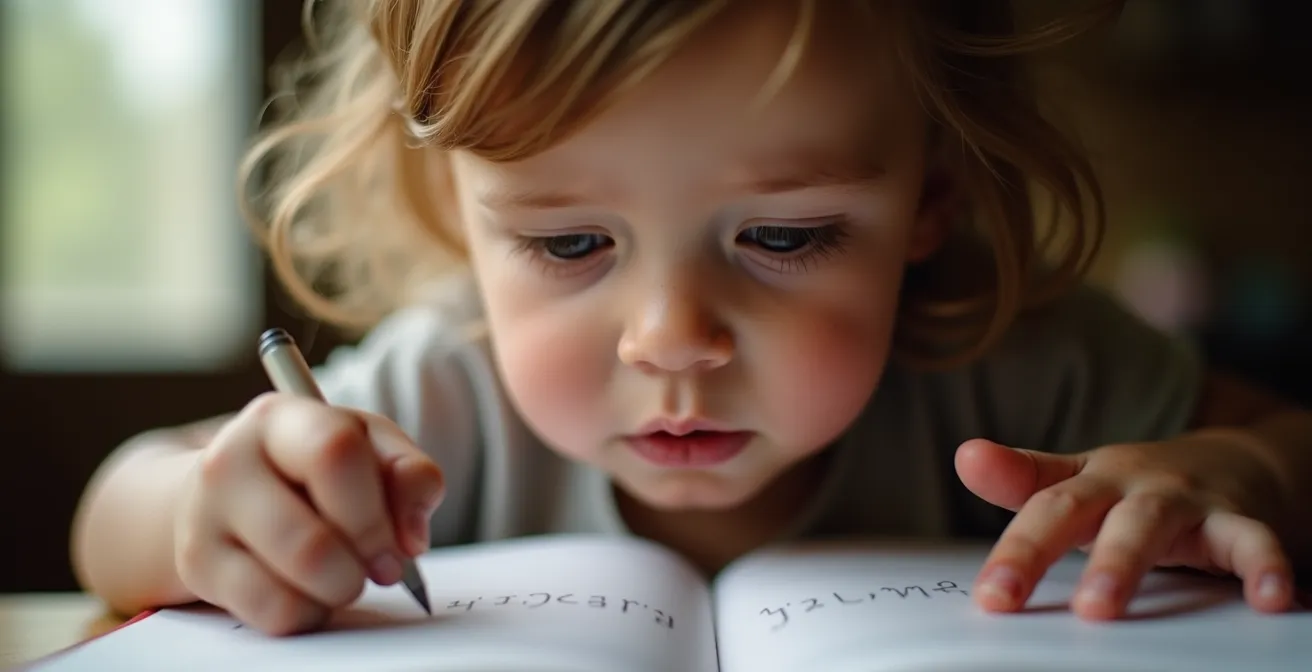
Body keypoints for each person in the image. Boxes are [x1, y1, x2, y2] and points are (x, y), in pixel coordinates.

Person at [70, 0, 1312, 637]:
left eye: (784, 236)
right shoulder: (442, 392)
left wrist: (1240, 473)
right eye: (569, 244)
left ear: (929, 195)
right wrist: (199, 512)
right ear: (457, 208)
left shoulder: (1026, 365)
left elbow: (1285, 446)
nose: (668, 337)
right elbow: (113, 512)